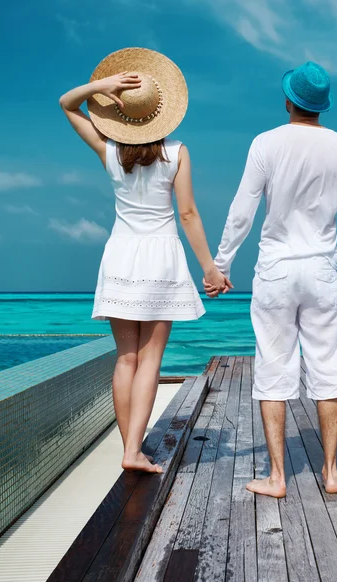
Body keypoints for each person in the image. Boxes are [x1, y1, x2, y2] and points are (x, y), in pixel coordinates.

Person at [60, 48, 231, 474]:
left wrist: (102, 88)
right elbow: (188, 214)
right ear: (162, 112)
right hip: (160, 257)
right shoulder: (177, 153)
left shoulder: (110, 151)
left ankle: (129, 447)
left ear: (123, 114)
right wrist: (209, 267)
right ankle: (134, 451)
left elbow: (67, 102)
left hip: (120, 255)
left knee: (125, 358)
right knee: (151, 359)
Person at [206, 61, 337, 497]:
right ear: (323, 106)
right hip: (320, 270)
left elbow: (242, 210)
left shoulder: (266, 143)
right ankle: (331, 473)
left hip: (276, 269)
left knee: (274, 365)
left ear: (288, 100)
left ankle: (277, 477)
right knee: (328, 364)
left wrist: (222, 265)